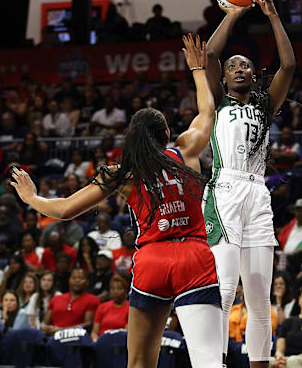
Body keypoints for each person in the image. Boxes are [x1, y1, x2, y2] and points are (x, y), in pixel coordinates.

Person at [12, 35, 224, 367]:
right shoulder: (185, 149)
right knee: (209, 359)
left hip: (152, 259)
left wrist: (31, 197)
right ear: (166, 135)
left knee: (139, 361)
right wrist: (197, 69)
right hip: (194, 254)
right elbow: (207, 111)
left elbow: (66, 209)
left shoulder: (123, 172)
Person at [204, 0, 295, 368]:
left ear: (254, 76)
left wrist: (272, 15)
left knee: (260, 298)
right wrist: (235, 13)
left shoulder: (264, 106)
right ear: (223, 79)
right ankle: (214, 363)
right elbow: (209, 54)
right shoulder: (214, 103)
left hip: (257, 194)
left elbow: (289, 64)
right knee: (224, 291)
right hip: (224, 191)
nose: (239, 69)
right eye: (233, 66)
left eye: (246, 65)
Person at [91, 274, 130, 340]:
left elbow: (126, 332)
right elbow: (94, 332)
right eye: (112, 288)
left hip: (119, 343)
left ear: (126, 291)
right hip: (101, 342)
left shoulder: (130, 308)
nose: (115, 291)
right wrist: (96, 342)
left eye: (119, 288)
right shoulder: (102, 307)